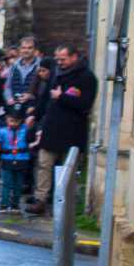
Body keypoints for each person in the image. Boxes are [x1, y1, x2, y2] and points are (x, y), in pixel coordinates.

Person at [30, 45, 97, 215]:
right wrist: (35, 116)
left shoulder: (87, 77)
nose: (59, 62)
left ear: (74, 57)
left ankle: (65, 202)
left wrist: (62, 97)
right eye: (57, 59)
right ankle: (40, 199)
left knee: (68, 168)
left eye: (63, 59)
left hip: (72, 129)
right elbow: (46, 98)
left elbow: (85, 104)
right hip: (52, 127)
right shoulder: (56, 73)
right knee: (44, 163)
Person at [0, 107, 31, 213]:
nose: (14, 124)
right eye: (11, 121)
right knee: (7, 183)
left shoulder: (25, 129)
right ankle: (4, 204)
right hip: (7, 159)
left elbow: (32, 136)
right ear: (7, 119)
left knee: (19, 184)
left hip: (22, 159)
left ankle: (15, 205)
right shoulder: (0, 130)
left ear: (21, 120)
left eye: (17, 121)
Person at [2, 36, 41, 110]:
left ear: (35, 49)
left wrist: (32, 96)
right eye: (23, 48)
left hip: (32, 109)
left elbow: (45, 90)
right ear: (20, 49)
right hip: (15, 107)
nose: (26, 50)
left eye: (29, 48)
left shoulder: (41, 65)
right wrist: (9, 98)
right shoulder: (14, 65)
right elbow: (7, 86)